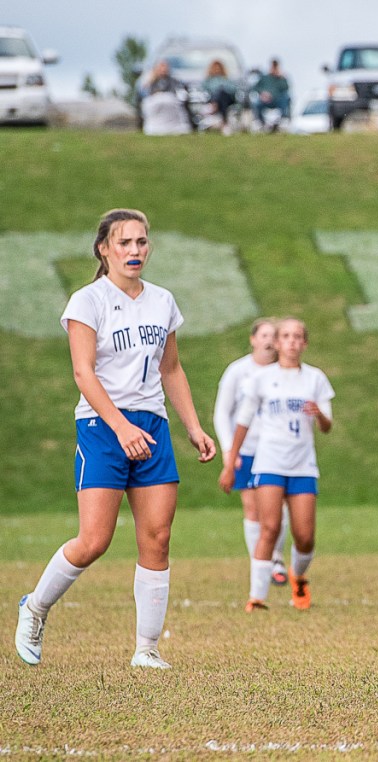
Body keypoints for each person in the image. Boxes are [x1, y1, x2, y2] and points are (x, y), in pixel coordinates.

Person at [15, 209, 216, 669]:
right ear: (103, 249)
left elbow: (171, 369)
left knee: (158, 537)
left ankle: (146, 650)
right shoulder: (89, 301)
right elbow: (83, 373)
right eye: (124, 243)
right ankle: (35, 608)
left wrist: (193, 427)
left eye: (141, 242)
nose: (135, 251)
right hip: (103, 427)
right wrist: (121, 428)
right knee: (94, 540)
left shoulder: (162, 300)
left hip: (153, 427)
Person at [219, 318, 334, 612]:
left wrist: (319, 413)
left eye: (298, 336)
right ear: (278, 343)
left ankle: (299, 577)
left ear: (304, 343)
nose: (292, 341)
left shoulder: (315, 378)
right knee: (268, 526)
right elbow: (242, 422)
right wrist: (230, 463)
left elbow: (326, 426)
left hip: (302, 464)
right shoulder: (261, 379)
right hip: (268, 461)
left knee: (305, 537)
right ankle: (256, 597)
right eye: (286, 336)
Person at [213, 318, 290, 587]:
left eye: (274, 336)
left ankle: (276, 557)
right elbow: (222, 412)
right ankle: (260, 562)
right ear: (253, 339)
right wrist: (227, 450)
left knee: (278, 505)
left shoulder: (285, 372)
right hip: (246, 449)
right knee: (251, 506)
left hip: (276, 449)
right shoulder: (238, 372)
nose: (270, 340)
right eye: (265, 335)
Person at [137, 59, 191, 136]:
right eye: (161, 66)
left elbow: (181, 96)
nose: (163, 69)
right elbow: (144, 97)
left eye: (165, 66)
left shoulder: (175, 81)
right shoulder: (148, 82)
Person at [251, 58, 291, 131]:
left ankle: (283, 120)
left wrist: (281, 78)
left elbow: (286, 88)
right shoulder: (265, 78)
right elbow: (255, 88)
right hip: (265, 100)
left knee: (285, 99)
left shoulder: (281, 78)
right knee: (256, 104)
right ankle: (261, 122)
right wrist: (262, 93)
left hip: (277, 100)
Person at [201, 59, 238, 132]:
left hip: (227, 99)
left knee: (222, 93)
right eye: (215, 68)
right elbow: (205, 91)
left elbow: (233, 90)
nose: (217, 70)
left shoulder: (226, 79)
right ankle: (224, 121)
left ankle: (215, 106)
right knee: (219, 93)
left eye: (218, 68)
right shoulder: (208, 81)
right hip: (213, 99)